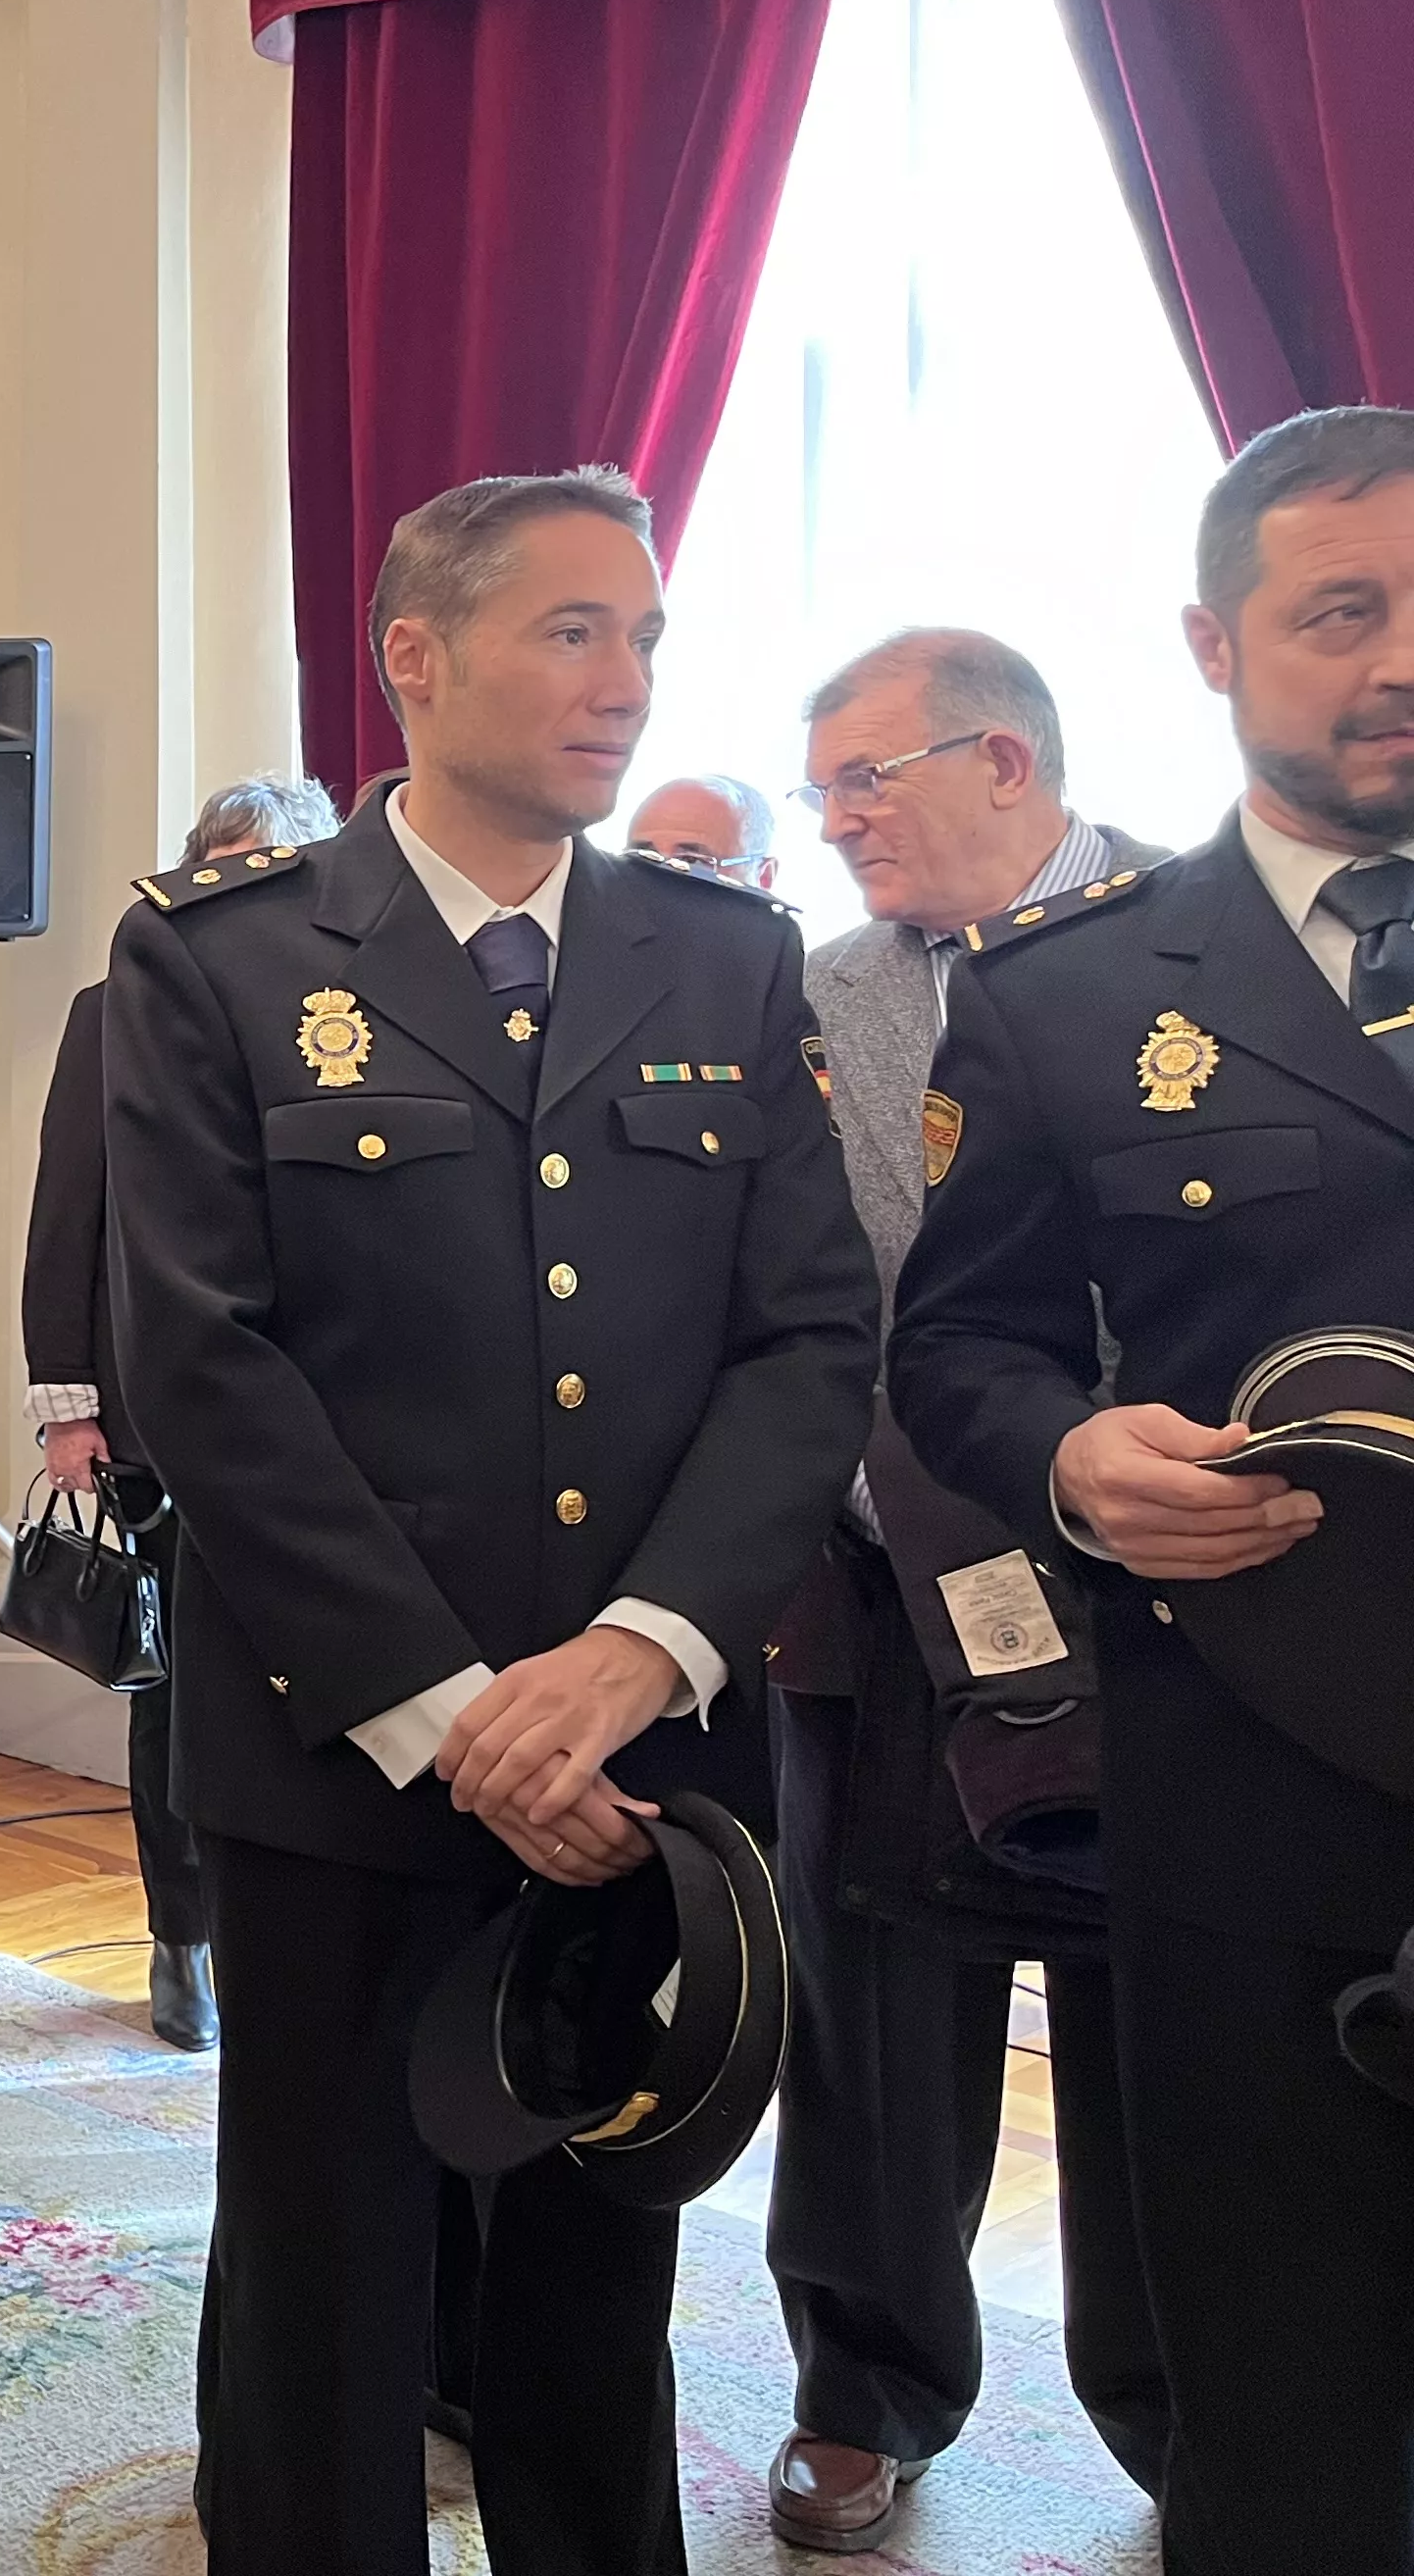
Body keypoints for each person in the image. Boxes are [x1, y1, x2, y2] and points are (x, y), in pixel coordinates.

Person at [102, 468, 879, 2576]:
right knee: (327, 2284)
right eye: (570, 631)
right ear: (414, 656)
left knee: (592, 2283)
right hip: (341, 1750)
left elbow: (813, 1342)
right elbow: (201, 1364)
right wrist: (454, 1713)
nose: (623, 680)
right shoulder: (226, 967)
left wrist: (636, 1661)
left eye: (641, 635)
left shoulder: (725, 961)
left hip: (644, 1770)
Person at [890, 405, 1414, 2576]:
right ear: (1215, 643)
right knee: (1279, 2382)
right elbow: (954, 1349)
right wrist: (1073, 1459)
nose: (1400, 661)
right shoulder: (1072, 994)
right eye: (1343, 613)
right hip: (1255, 1775)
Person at [759, 630, 1170, 2551]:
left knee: (1160, 2022)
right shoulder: (816, 997)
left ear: (1004, 762)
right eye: (821, 782)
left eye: (868, 777)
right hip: (880, 1597)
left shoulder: (1199, 950)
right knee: (875, 2015)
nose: (832, 819)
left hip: (1169, 1594)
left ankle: (1196, 2413)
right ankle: (868, 2385)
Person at [23, 770, 341, 2053]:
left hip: (331, 1415)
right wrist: (67, 1404)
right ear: (197, 874)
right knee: (181, 1686)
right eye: (238, 864)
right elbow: (67, 1218)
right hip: (163, 1414)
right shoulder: (115, 1014)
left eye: (286, 867)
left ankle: (306, 1933)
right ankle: (181, 1938)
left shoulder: (358, 1012)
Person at [624, 771, 779, 893]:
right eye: (643, 858)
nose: (656, 880)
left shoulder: (783, 932)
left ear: (764, 876)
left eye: (690, 861)